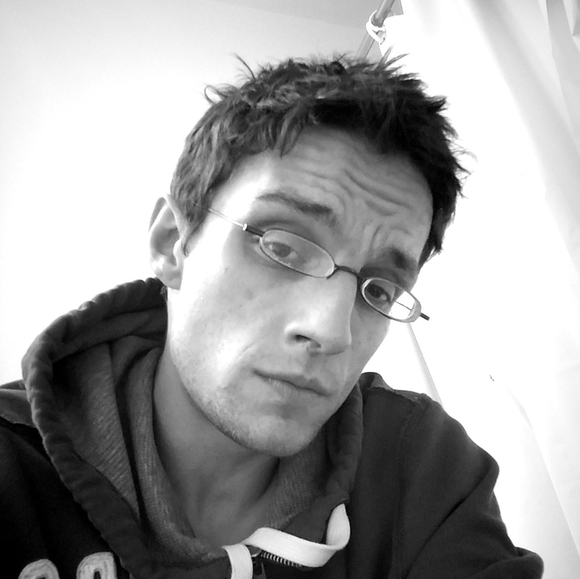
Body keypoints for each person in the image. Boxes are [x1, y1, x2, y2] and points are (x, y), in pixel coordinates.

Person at [0, 56, 543, 579]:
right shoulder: (13, 463)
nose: (331, 331)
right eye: (281, 247)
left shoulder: (419, 462)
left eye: (379, 288)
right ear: (172, 244)